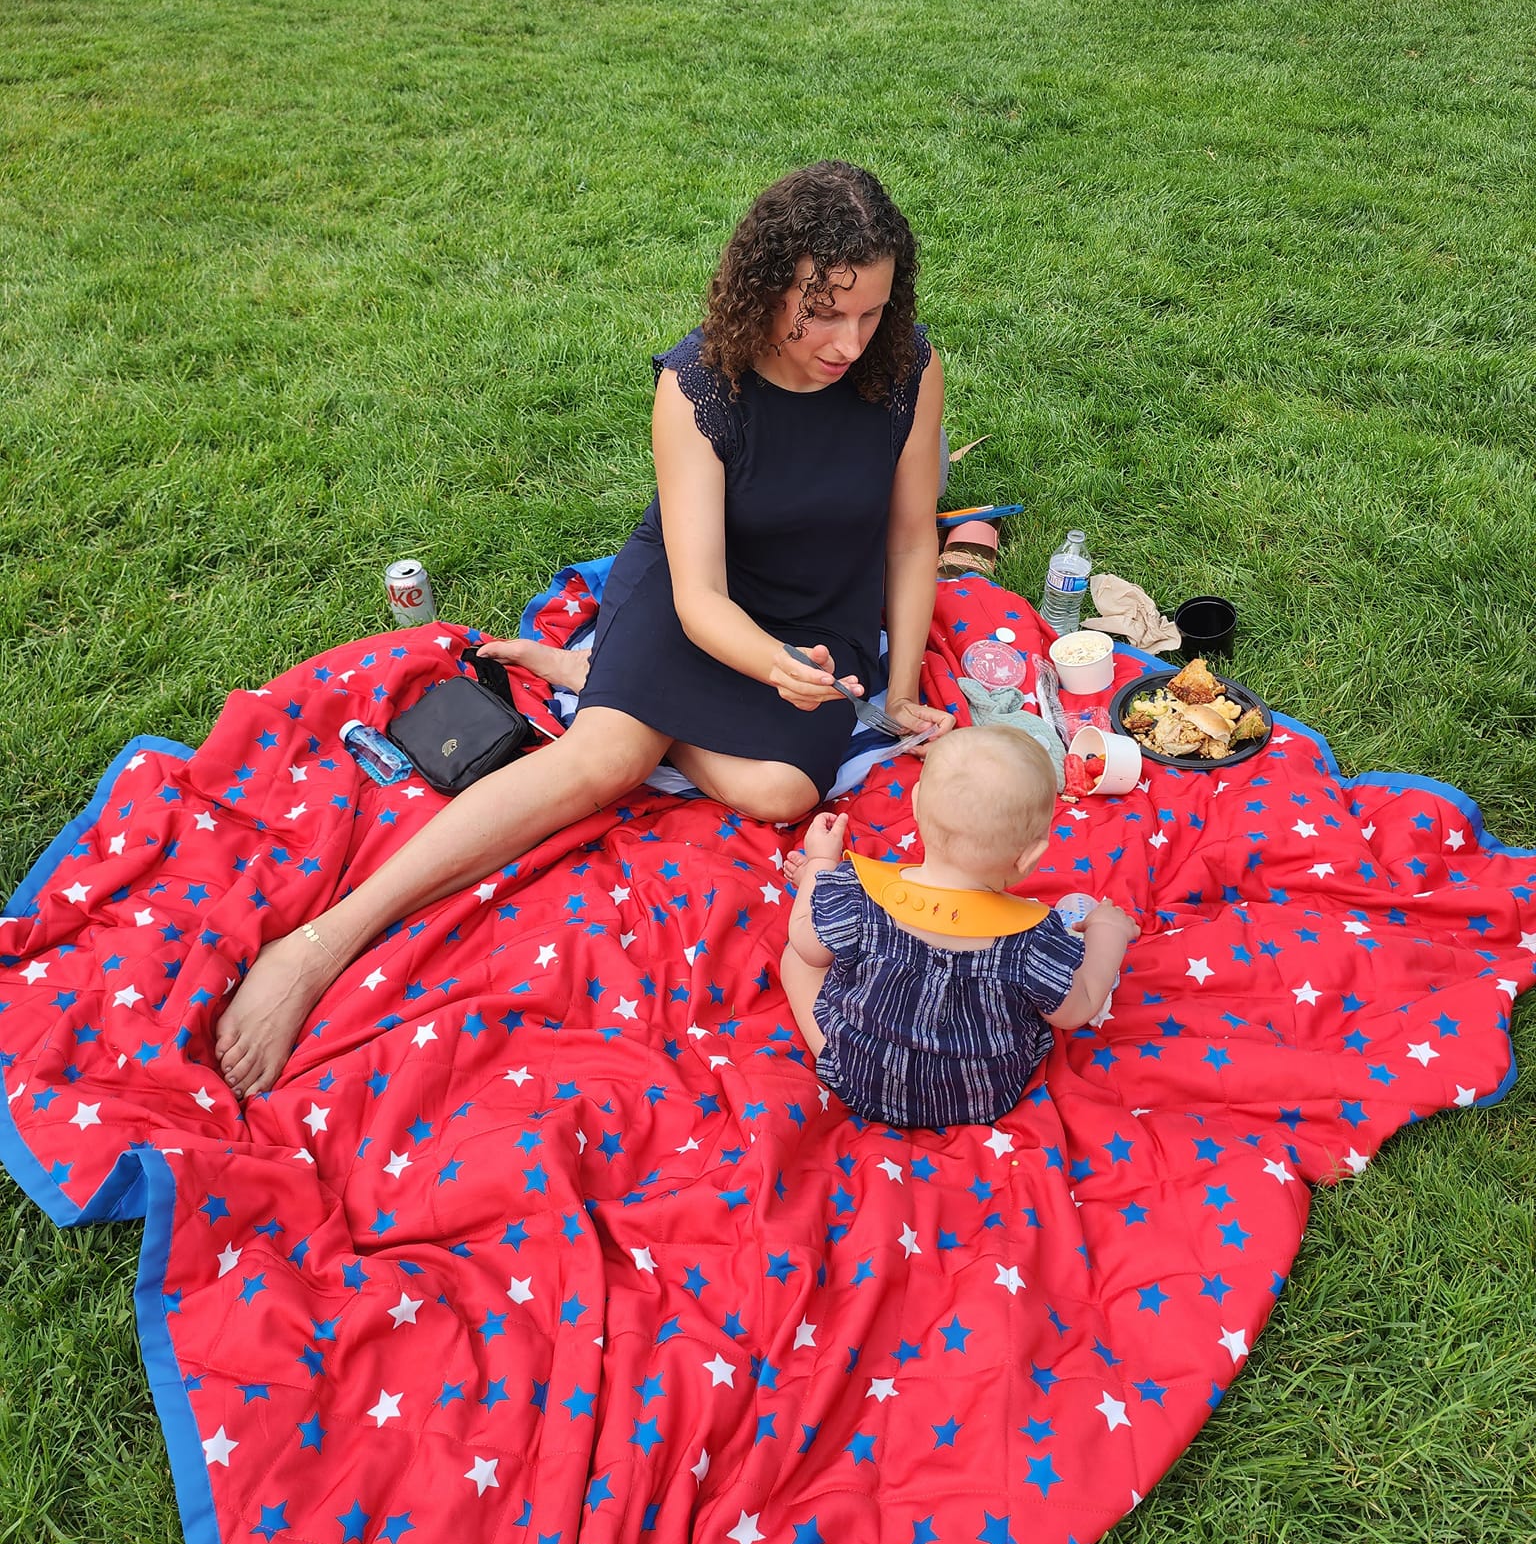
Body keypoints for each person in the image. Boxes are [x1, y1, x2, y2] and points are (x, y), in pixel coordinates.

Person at [214, 162, 953, 1100]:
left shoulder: (907, 369)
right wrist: (769, 669)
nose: (850, 341)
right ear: (768, 287)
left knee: (778, 794)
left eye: (872, 312)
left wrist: (895, 694)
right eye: (823, 313)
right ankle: (321, 945)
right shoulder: (699, 387)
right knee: (600, 763)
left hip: (819, 614)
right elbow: (699, 600)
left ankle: (602, 677)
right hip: (703, 597)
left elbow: (908, 538)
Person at [778, 729, 1141, 1128]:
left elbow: (808, 944)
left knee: (797, 957)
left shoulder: (857, 893)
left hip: (861, 1081)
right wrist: (1108, 932)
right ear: (1031, 857)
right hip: (979, 1097)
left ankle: (835, 1052)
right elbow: (1078, 1008)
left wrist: (819, 867)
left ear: (915, 804)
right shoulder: (1034, 940)